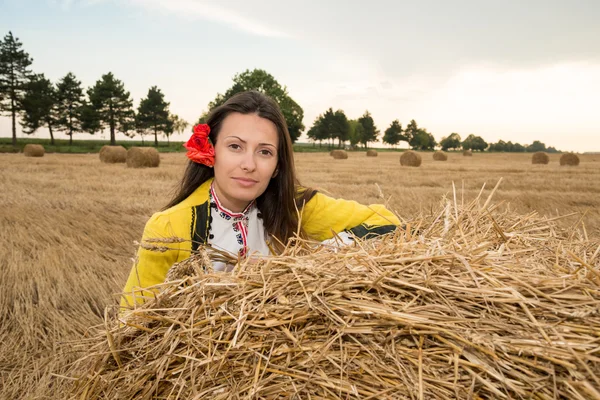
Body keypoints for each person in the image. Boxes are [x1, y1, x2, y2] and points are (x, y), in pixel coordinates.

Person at [121, 91, 400, 308]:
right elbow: (132, 327)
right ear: (211, 151)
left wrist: (311, 262)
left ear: (278, 165)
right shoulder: (168, 228)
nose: (249, 164)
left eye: (264, 152)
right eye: (235, 146)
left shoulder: (294, 206)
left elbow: (387, 222)